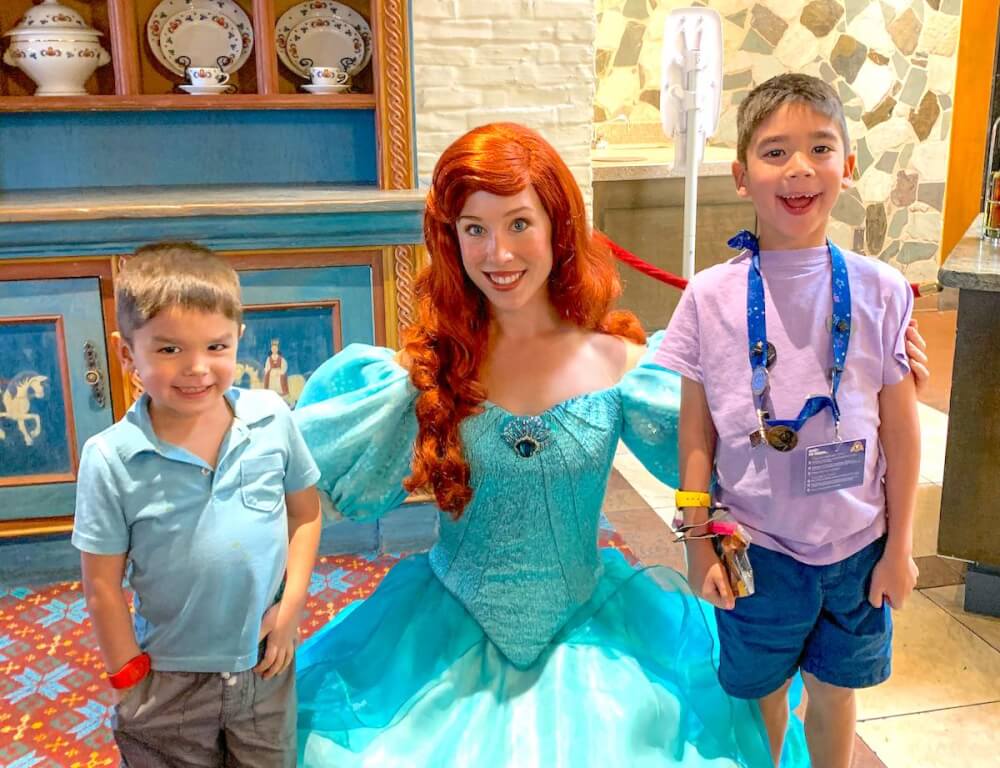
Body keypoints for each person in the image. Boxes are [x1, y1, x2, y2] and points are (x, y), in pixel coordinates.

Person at [291, 123, 810, 767]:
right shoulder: (425, 372)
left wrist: (869, 375)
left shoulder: (621, 365)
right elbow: (301, 465)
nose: (498, 253)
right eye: (474, 228)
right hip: (443, 629)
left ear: (558, 227)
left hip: (594, 635)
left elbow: (739, 442)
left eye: (518, 223)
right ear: (450, 238)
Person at [656, 74, 921, 768]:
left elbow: (900, 430)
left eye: (820, 148)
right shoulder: (710, 297)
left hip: (859, 548)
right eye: (775, 152)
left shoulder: (882, 288)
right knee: (762, 698)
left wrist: (900, 548)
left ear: (848, 165)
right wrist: (696, 542)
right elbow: (696, 434)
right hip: (757, 549)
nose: (799, 168)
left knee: (836, 694)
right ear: (742, 176)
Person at [72, 242, 322, 767]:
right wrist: (128, 677)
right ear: (126, 354)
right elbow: (101, 586)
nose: (197, 368)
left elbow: (305, 514)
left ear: (238, 340)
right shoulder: (110, 458)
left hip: (263, 665)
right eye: (169, 349)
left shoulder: (272, 419)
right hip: (167, 681)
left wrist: (291, 608)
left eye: (216, 346)